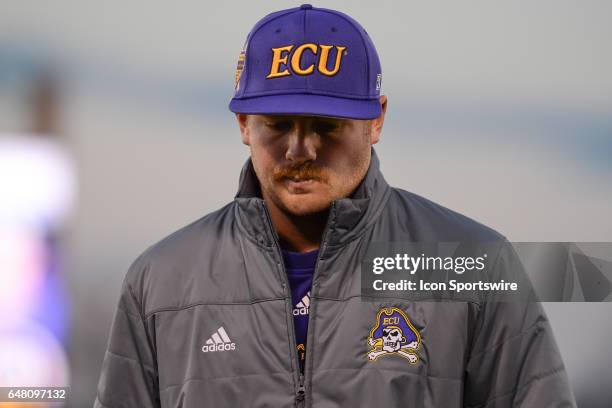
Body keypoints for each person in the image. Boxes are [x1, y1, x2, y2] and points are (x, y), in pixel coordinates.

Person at [94, 4, 576, 407]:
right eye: (278, 124)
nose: (299, 150)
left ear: (376, 120)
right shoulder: (160, 282)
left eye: (326, 125)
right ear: (244, 123)